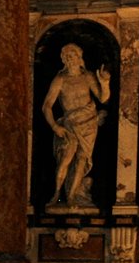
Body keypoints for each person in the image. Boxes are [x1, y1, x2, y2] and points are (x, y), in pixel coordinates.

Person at [42, 43, 111, 208]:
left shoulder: (87, 77)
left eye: (74, 56)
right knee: (66, 159)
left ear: (80, 58)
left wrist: (105, 83)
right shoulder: (60, 79)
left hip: (88, 124)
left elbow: (103, 98)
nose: (71, 59)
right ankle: (57, 194)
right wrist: (54, 126)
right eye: (68, 57)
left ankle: (72, 197)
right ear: (64, 60)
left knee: (81, 159)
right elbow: (46, 106)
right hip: (70, 125)